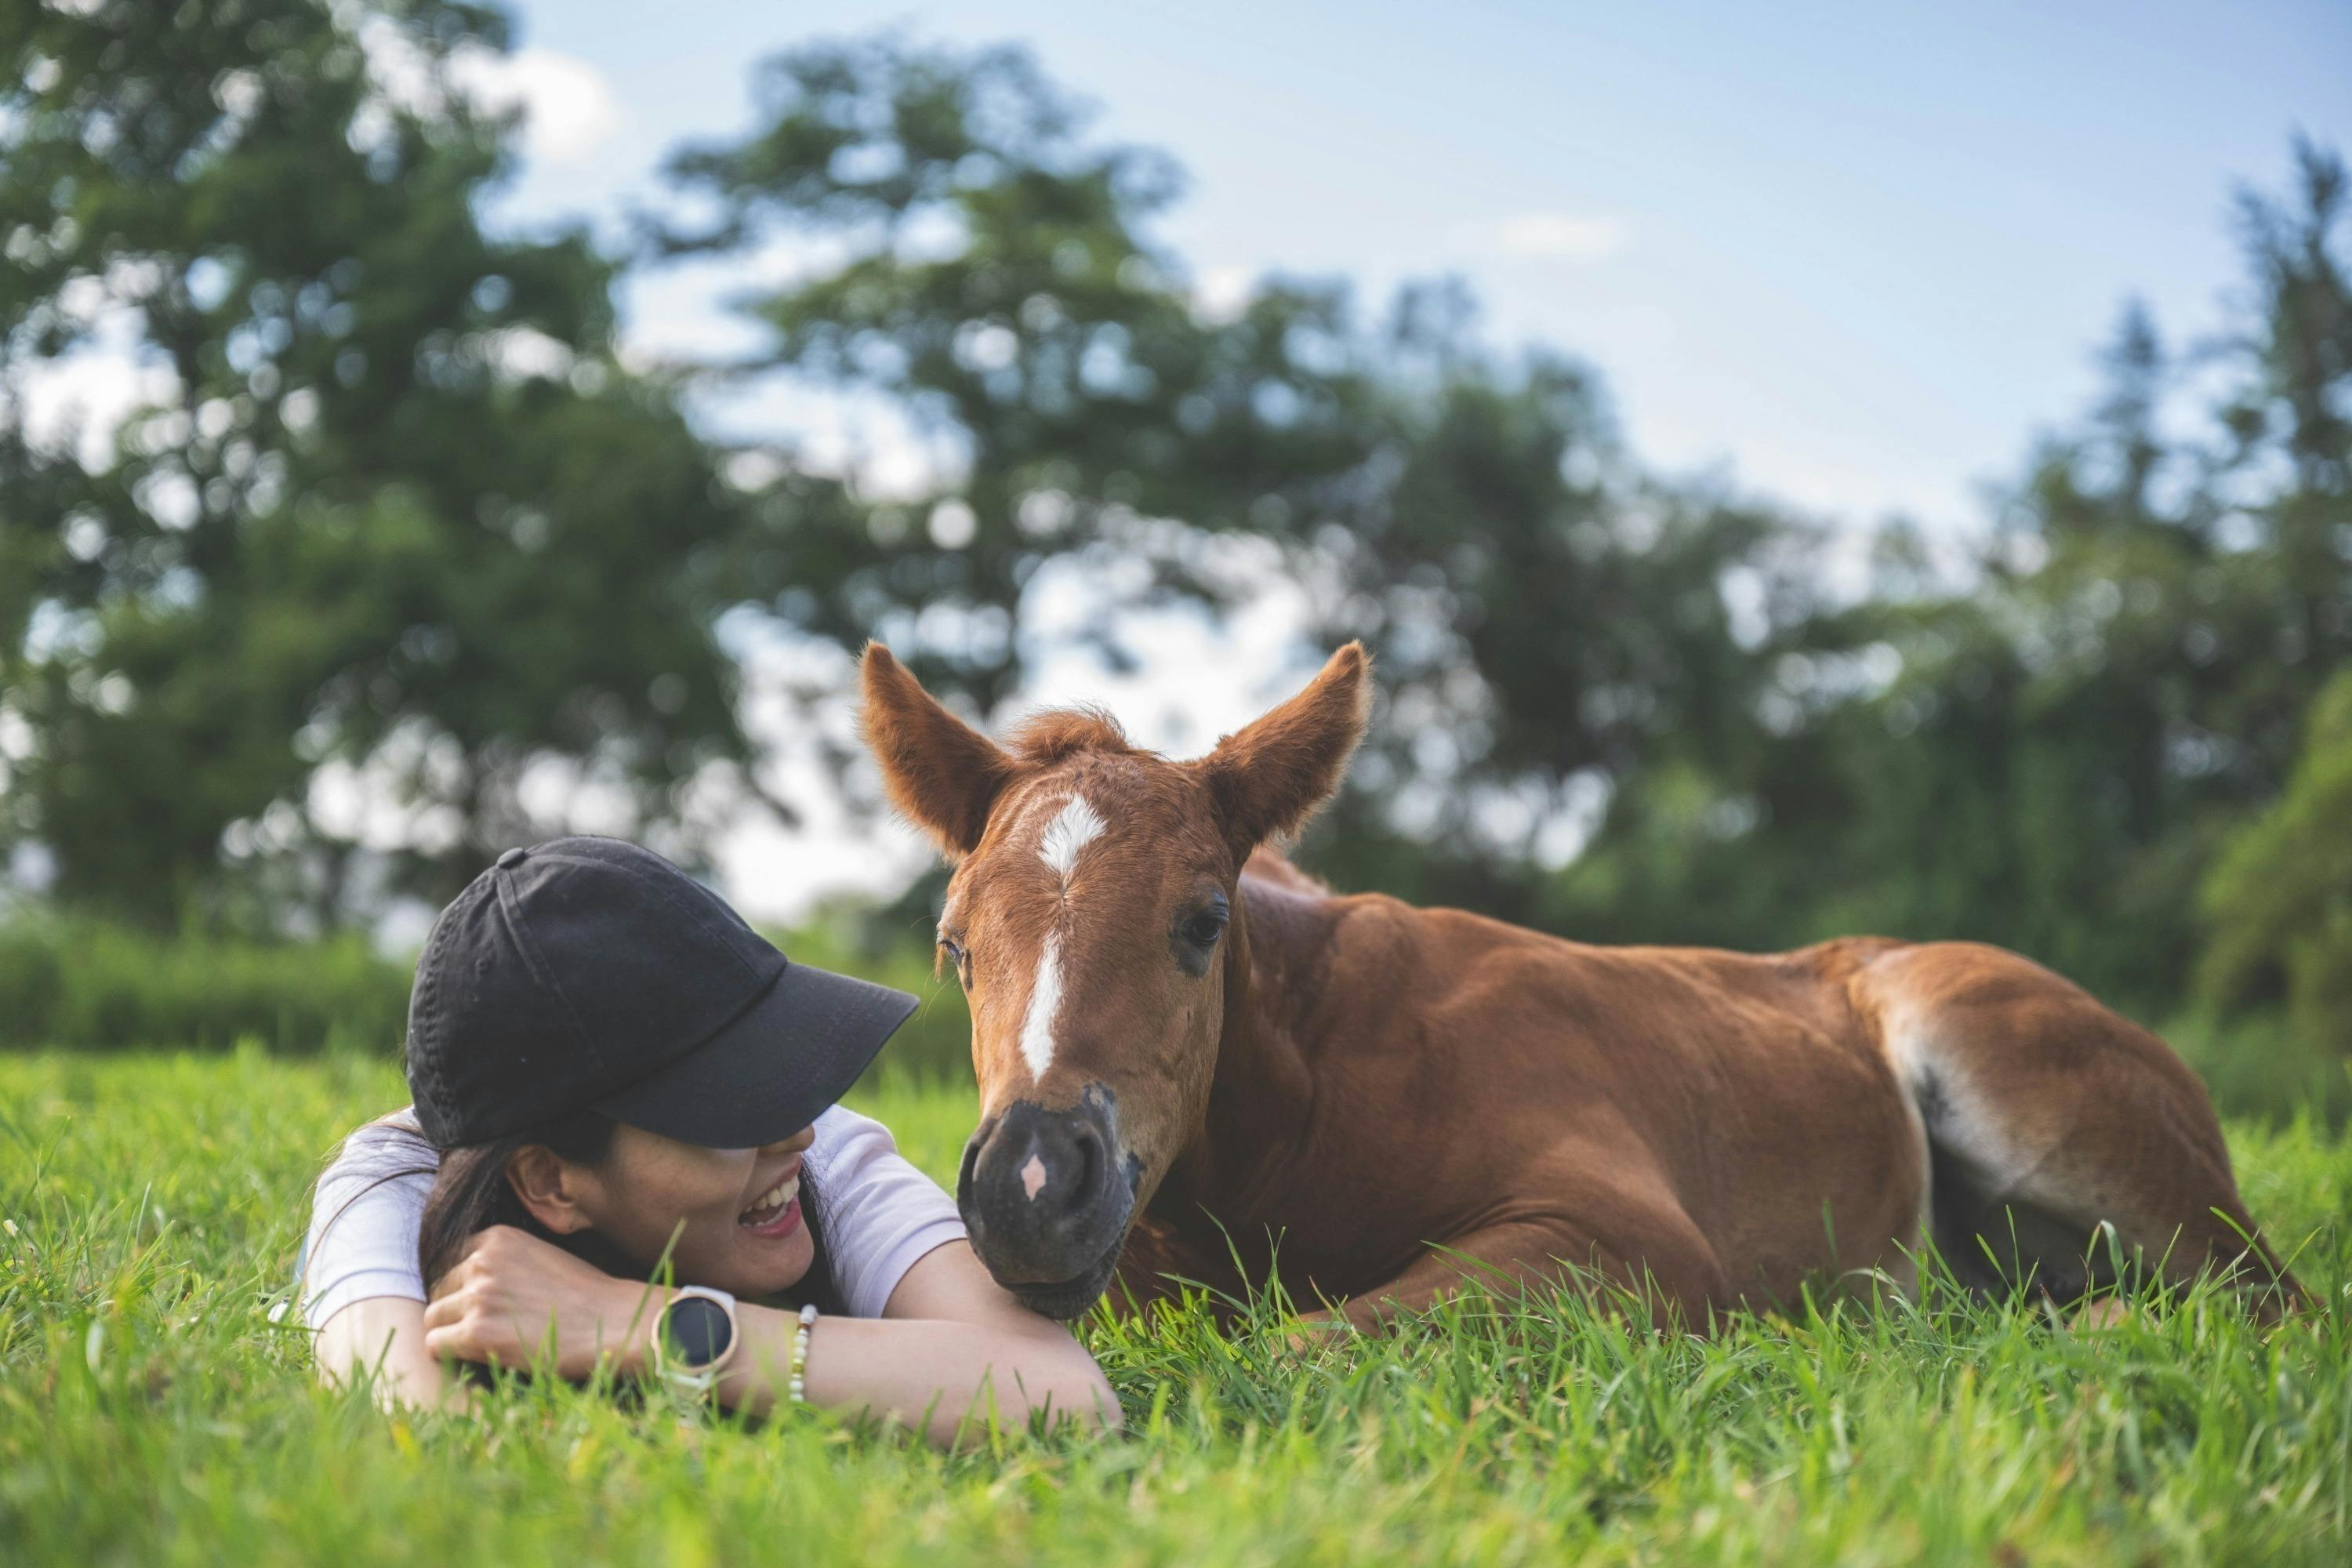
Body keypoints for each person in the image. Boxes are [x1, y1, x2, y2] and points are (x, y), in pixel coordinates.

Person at [298, 837, 1118, 1447]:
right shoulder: (392, 1180)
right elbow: (406, 1413)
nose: (794, 1129)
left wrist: (641, 1323)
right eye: (731, 1107)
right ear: (548, 1179)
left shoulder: (828, 1151)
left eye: (773, 1068)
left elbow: (1063, 1396)